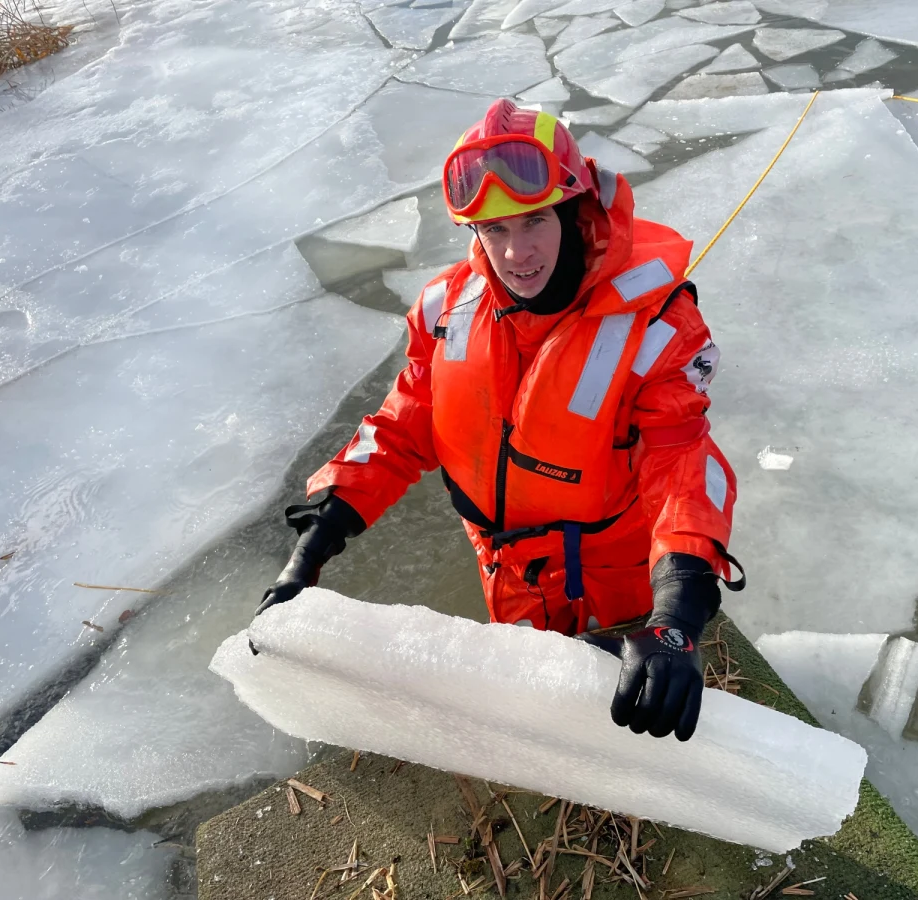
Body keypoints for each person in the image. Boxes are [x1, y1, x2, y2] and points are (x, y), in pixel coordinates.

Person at [258, 99, 743, 742]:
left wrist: (676, 618)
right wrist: (316, 540)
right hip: (508, 581)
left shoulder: (658, 325)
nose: (517, 252)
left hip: (621, 599)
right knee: (536, 734)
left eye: (534, 220)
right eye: (494, 229)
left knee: (620, 738)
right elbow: (403, 423)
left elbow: (683, 466)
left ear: (572, 210)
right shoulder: (445, 307)